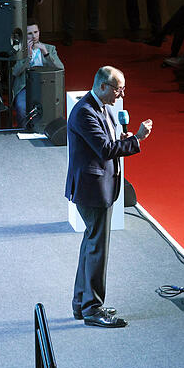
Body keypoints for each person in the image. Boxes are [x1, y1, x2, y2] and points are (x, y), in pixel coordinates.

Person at [66, 66, 152, 327]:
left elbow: (105, 141)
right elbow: (104, 149)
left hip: (98, 187)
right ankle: (93, 309)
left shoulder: (100, 106)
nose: (121, 93)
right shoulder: (84, 112)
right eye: (117, 88)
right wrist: (136, 139)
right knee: (97, 249)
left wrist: (122, 138)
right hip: (92, 191)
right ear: (102, 86)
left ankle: (82, 303)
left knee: (91, 245)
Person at [12, 20, 64, 126]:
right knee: (22, 107)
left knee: (52, 106)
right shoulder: (19, 50)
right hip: (25, 86)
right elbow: (15, 72)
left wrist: (46, 54)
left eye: (36, 32)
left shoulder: (49, 48)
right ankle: (24, 131)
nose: (34, 36)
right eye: (30, 33)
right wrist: (28, 57)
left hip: (46, 86)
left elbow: (60, 68)